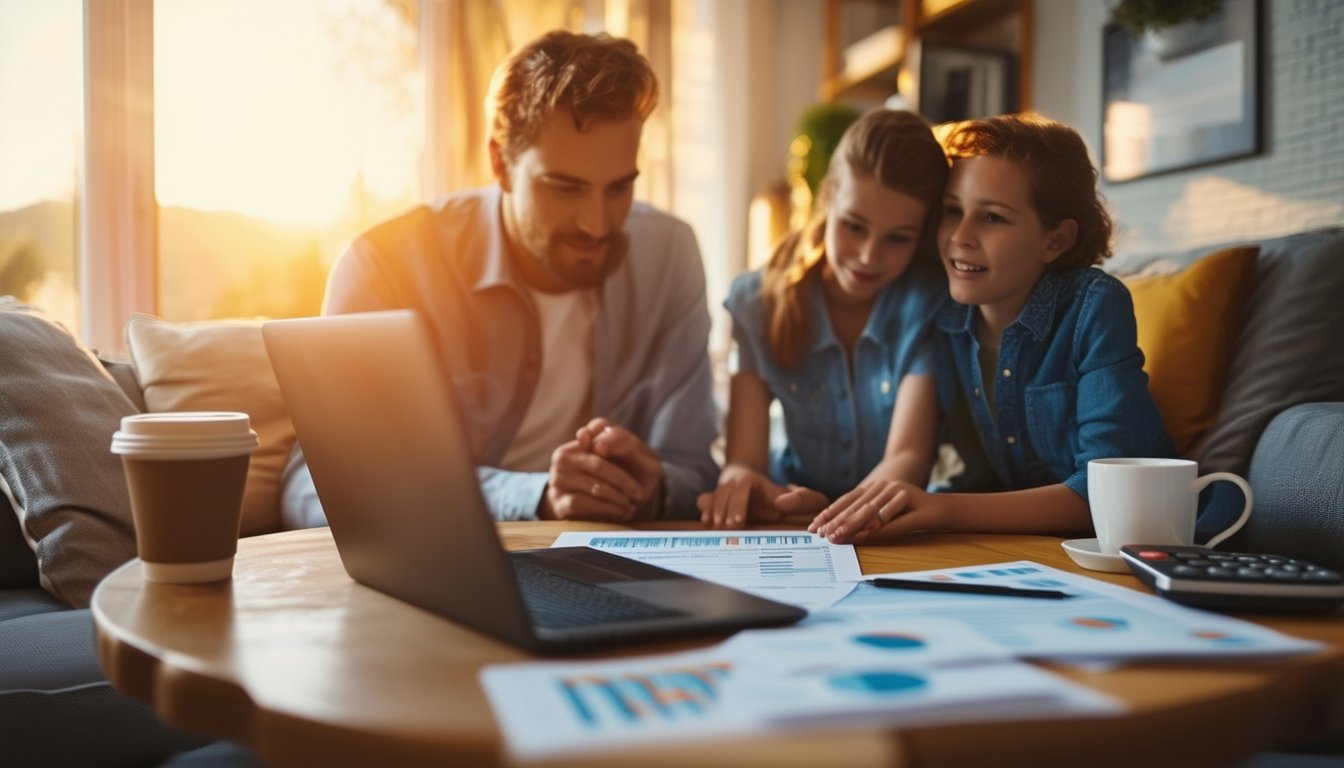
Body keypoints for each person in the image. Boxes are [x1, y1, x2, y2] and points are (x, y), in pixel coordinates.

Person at [281, 30, 717, 525]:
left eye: (619, 189)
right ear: (500, 164)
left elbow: (695, 471)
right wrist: (533, 498)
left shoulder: (669, 254)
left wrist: (653, 488)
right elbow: (315, 488)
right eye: (564, 188)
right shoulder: (386, 266)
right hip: (450, 567)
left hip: (610, 567)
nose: (597, 225)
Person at [810, 113, 1174, 543]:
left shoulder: (1094, 306)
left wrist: (943, 508)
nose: (959, 237)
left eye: (993, 218)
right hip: (1009, 545)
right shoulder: (941, 314)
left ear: (1054, 240)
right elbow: (921, 459)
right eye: (952, 211)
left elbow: (1109, 497)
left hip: (1130, 544)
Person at [698, 109, 950, 528]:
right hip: (788, 513)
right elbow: (744, 458)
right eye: (854, 226)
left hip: (884, 517)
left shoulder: (925, 303)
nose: (869, 255)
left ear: (921, 234)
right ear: (829, 196)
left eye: (898, 238)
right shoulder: (759, 301)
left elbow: (909, 456)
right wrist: (744, 488)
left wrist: (833, 514)